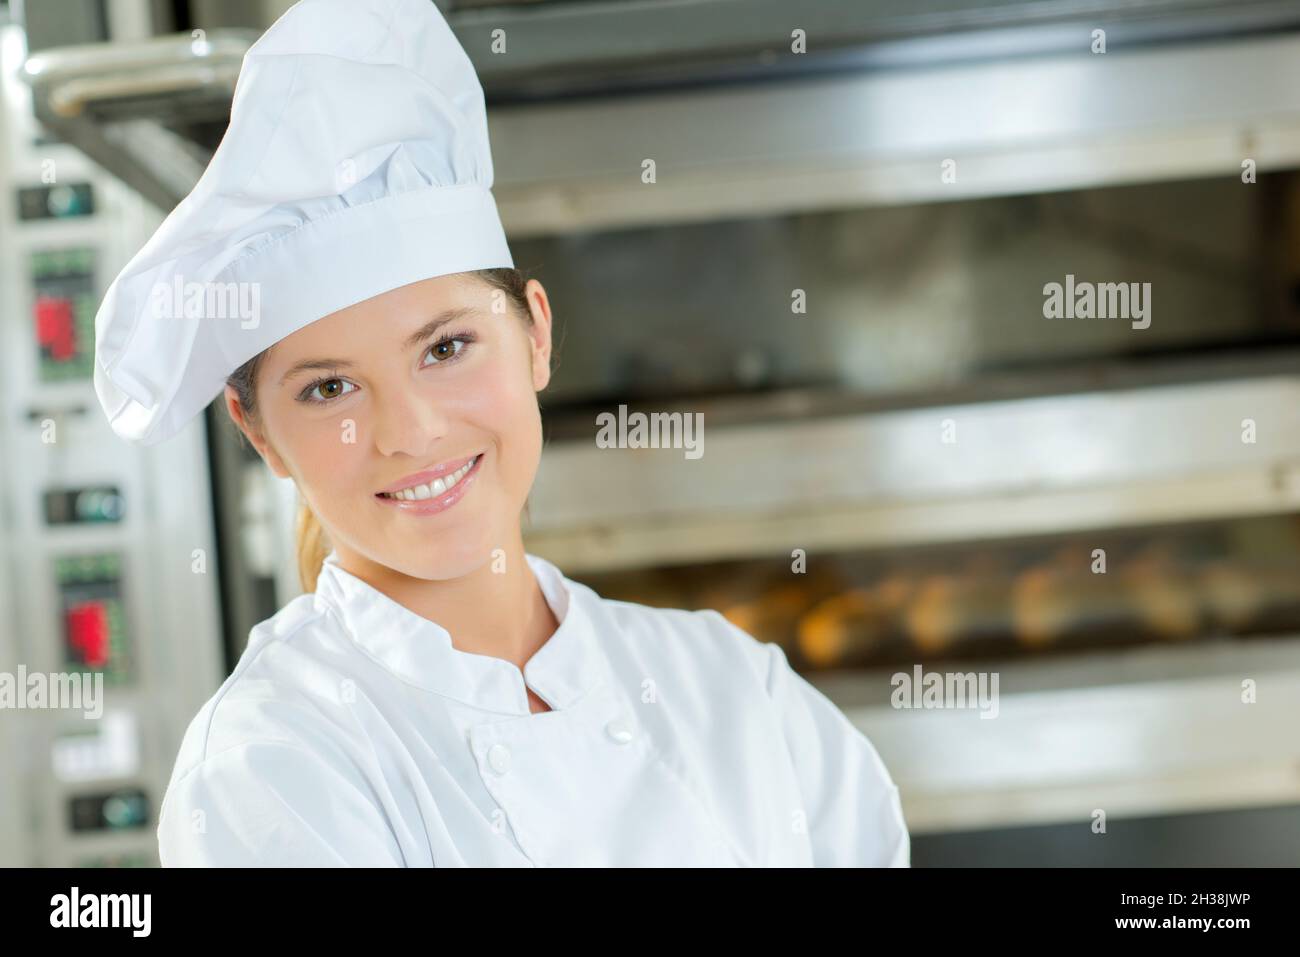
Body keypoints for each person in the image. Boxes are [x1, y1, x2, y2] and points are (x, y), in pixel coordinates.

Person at [92, 0, 909, 867]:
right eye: (330, 387)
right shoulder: (272, 769)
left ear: (537, 334)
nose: (410, 431)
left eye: (447, 347)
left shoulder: (733, 690)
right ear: (259, 435)